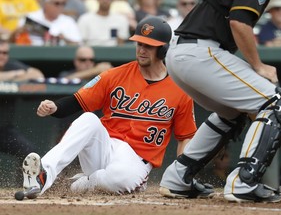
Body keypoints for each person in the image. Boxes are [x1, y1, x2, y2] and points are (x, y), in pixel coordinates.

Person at [19, 16, 197, 198]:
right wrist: (55, 107)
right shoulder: (116, 75)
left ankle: (76, 185)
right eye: (139, 44)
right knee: (89, 119)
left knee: (118, 179)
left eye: (148, 46)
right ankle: (44, 174)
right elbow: (78, 101)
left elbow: (185, 137)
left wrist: (183, 173)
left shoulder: (180, 89)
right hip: (105, 146)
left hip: (137, 159)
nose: (142, 50)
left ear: (163, 49)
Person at [159, 0, 281, 203]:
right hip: (201, 52)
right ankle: (244, 181)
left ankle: (178, 177)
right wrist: (258, 65)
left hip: (183, 54)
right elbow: (239, 23)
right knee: (277, 102)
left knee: (231, 113)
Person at [13, 0, 82, 46]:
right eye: (56, 3)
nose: (60, 7)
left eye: (63, 4)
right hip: (30, 55)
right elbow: (13, 40)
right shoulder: (31, 17)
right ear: (46, 4)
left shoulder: (68, 21)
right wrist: (18, 31)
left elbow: (78, 45)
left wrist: (64, 39)